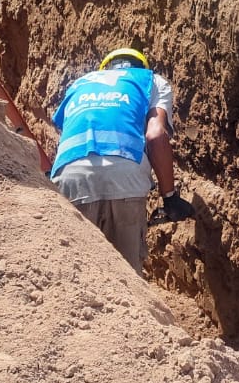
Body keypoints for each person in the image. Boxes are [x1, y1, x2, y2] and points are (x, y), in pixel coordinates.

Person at [49, 47, 195, 273]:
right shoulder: (151, 81)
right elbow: (156, 135)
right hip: (124, 180)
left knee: (78, 276)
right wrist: (169, 197)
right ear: (141, 66)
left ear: (105, 68)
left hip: (70, 179)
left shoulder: (80, 84)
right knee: (126, 280)